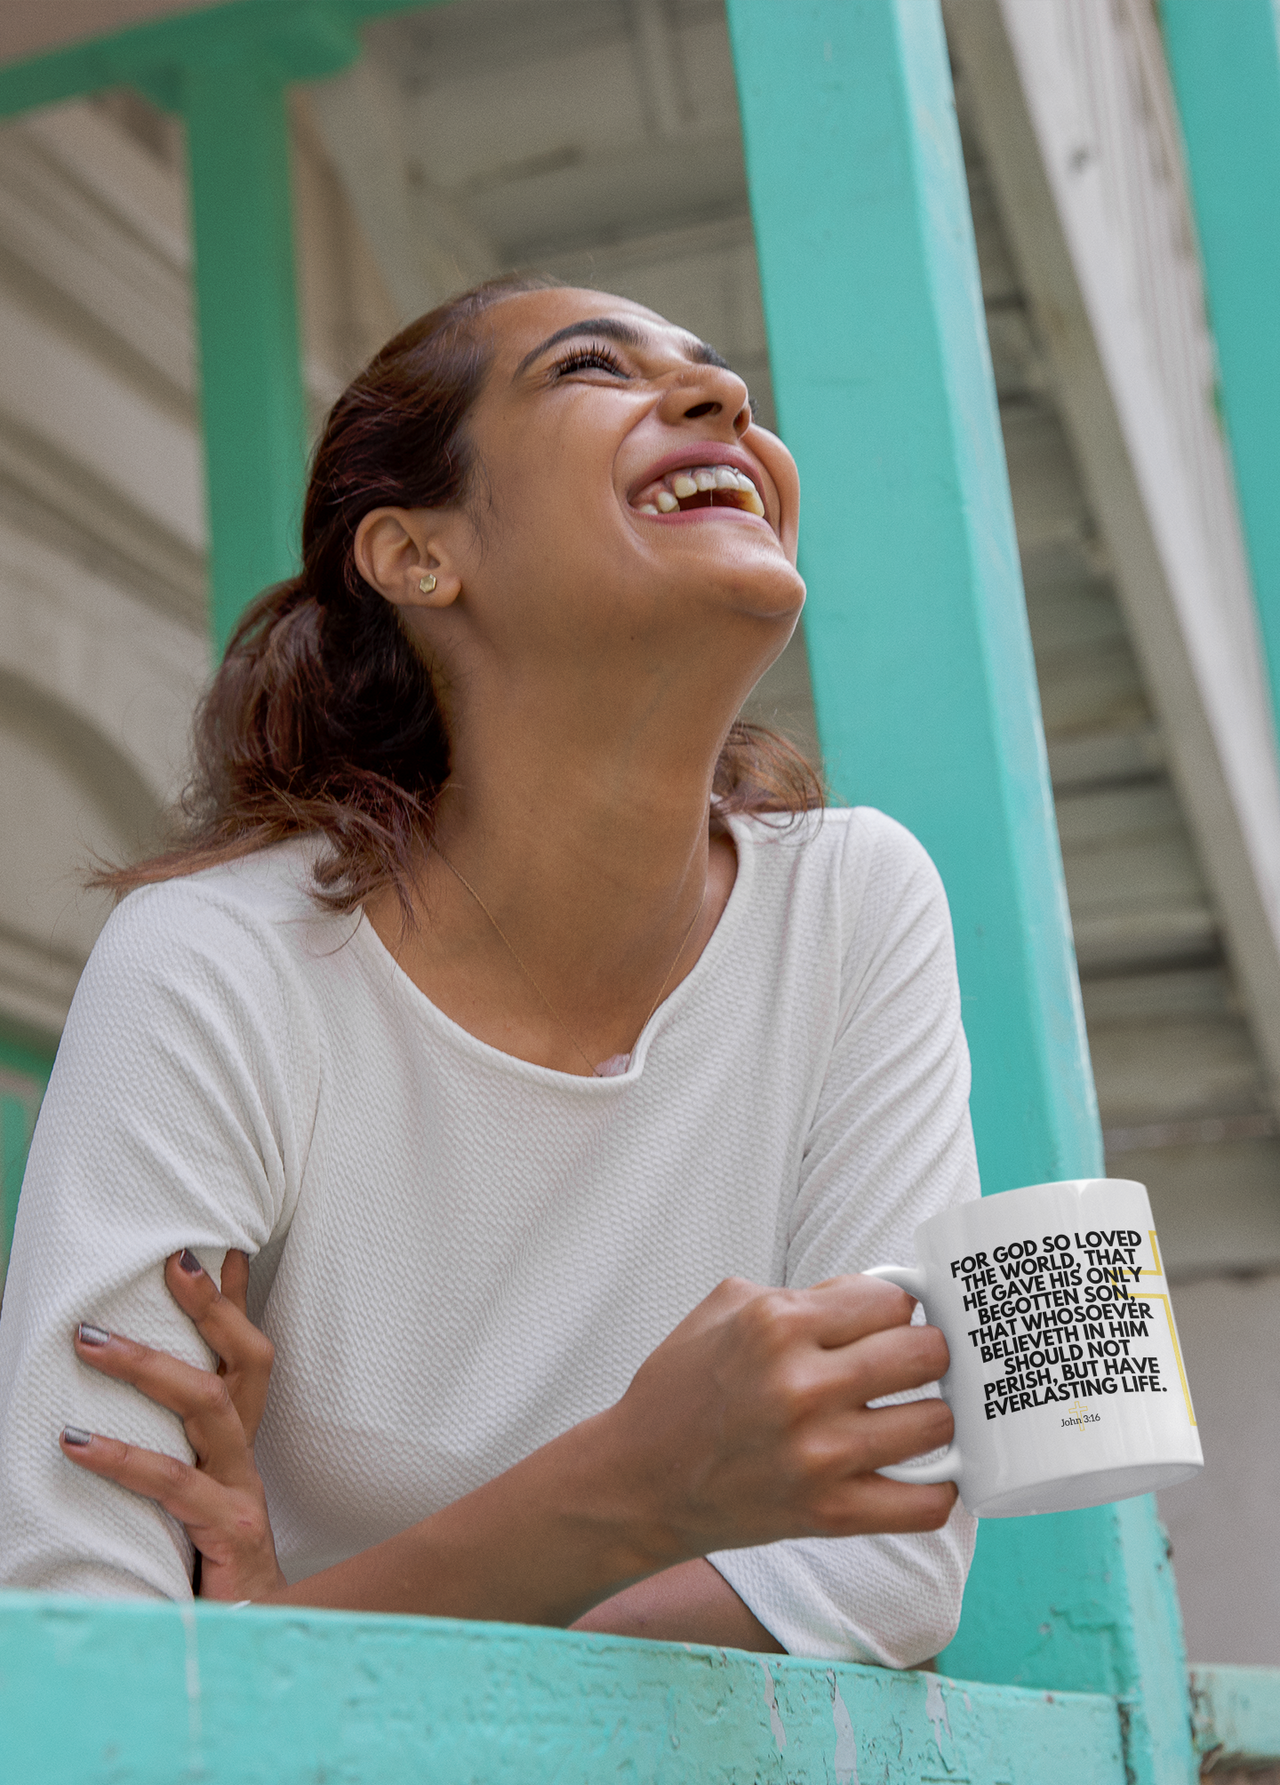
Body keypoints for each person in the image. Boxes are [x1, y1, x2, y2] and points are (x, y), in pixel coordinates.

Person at [0, 277, 978, 1662]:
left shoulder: (858, 906)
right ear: (415, 557)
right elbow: (79, 1647)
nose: (724, 401)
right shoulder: (220, 963)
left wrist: (290, 1638)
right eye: (592, 367)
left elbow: (887, 1568)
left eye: (713, 373)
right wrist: (631, 1490)